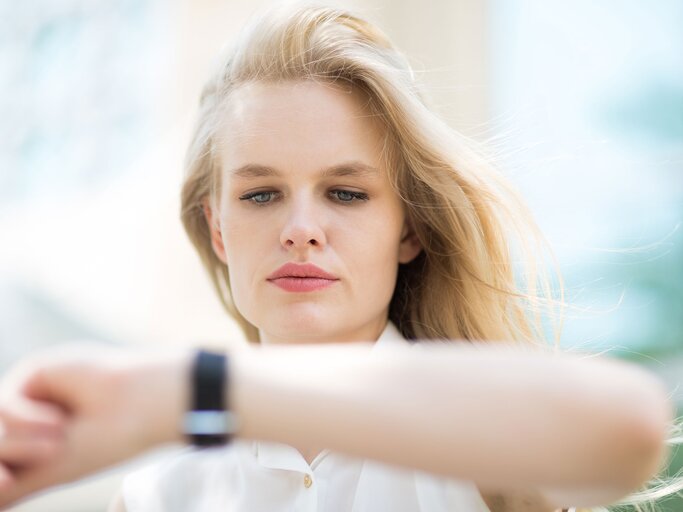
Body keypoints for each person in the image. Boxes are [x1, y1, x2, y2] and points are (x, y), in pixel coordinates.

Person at [0, 3, 680, 512]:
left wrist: (189, 393)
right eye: (261, 194)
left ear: (408, 230)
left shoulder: (479, 443)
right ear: (217, 229)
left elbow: (628, 426)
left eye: (345, 193)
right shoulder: (158, 489)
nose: (300, 229)